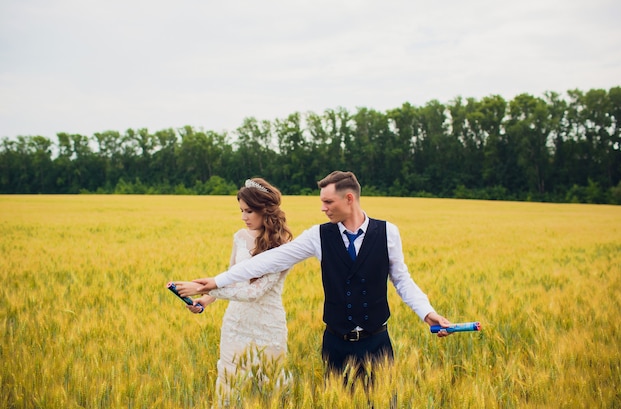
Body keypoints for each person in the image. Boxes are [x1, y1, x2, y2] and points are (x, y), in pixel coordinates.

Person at [185, 171, 450, 379]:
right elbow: (268, 261)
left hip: (377, 341)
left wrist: (428, 313)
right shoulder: (318, 236)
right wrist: (216, 282)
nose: (323, 208)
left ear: (349, 199)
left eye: (327, 201)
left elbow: (402, 280)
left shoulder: (388, 232)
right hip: (335, 343)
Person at [174, 178, 293, 406]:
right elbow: (231, 278)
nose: (243, 217)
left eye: (249, 211)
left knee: (268, 389)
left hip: (267, 327)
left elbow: (253, 292)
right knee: (229, 386)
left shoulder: (283, 247)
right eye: (241, 210)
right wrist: (205, 301)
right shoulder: (239, 237)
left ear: (265, 210)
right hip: (235, 324)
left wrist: (201, 286)